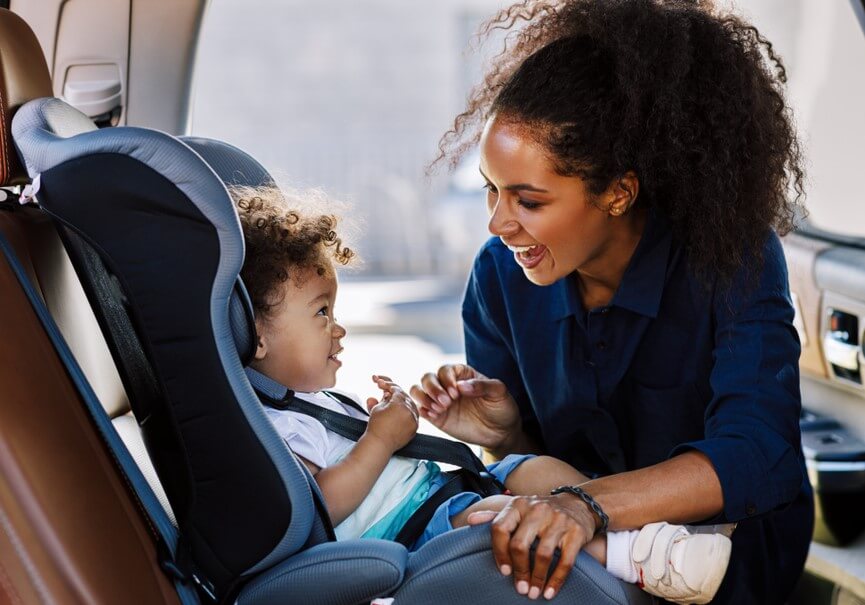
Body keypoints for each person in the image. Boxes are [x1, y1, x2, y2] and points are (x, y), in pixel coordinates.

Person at [411, 0, 813, 603]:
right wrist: (504, 433)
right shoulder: (499, 276)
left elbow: (755, 453)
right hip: (584, 547)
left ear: (619, 193)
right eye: (491, 192)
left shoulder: (730, 258)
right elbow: (537, 468)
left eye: (529, 201)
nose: (498, 224)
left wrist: (586, 505)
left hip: (725, 559)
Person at [233, 185, 733, 604]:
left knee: (530, 468)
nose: (338, 330)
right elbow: (321, 506)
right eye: (321, 313)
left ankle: (647, 533)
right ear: (255, 334)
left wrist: (387, 422)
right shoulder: (273, 426)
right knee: (505, 518)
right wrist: (380, 440)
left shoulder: (312, 405)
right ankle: (639, 559)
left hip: (443, 492)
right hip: (417, 527)